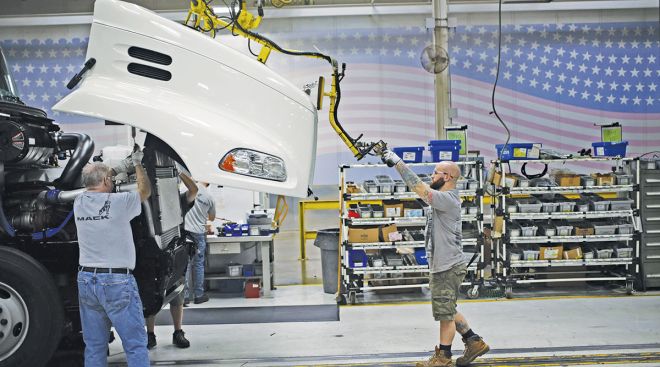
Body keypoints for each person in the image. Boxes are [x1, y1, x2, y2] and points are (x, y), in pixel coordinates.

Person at [380, 148, 489, 367]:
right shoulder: (441, 198)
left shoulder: (447, 199)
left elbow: (421, 189)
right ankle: (474, 341)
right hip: (446, 264)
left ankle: (443, 358)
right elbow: (424, 190)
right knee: (447, 307)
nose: (431, 176)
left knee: (445, 315)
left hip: (447, 267)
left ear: (447, 177)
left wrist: (398, 163)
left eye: (435, 172)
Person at [74, 150, 151, 367]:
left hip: (87, 280)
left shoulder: (78, 202)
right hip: (116, 282)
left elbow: (96, 182)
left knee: (95, 346)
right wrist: (137, 165)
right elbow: (144, 191)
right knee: (135, 345)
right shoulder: (120, 202)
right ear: (107, 180)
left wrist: (112, 170)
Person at [146, 172, 198, 349]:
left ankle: (178, 332)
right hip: (153, 254)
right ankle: (150, 334)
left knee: (177, 295)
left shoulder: (178, 201)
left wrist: (178, 171)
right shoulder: (148, 202)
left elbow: (194, 189)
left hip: (176, 254)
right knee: (151, 295)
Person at [184, 181, 216, 304]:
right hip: (198, 233)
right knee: (198, 264)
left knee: (185, 264)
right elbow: (212, 218)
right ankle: (198, 295)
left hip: (185, 231)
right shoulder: (209, 197)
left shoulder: (185, 189)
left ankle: (185, 297)